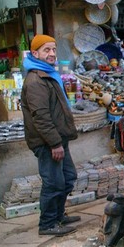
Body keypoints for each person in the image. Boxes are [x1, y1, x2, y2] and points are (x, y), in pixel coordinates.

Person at [21, 35, 80, 236]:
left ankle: (58, 215)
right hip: (48, 142)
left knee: (68, 177)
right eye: (46, 50)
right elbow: (41, 117)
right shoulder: (36, 81)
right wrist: (55, 143)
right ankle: (47, 224)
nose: (52, 53)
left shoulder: (48, 74)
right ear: (35, 53)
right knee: (54, 183)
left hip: (58, 139)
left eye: (54, 49)